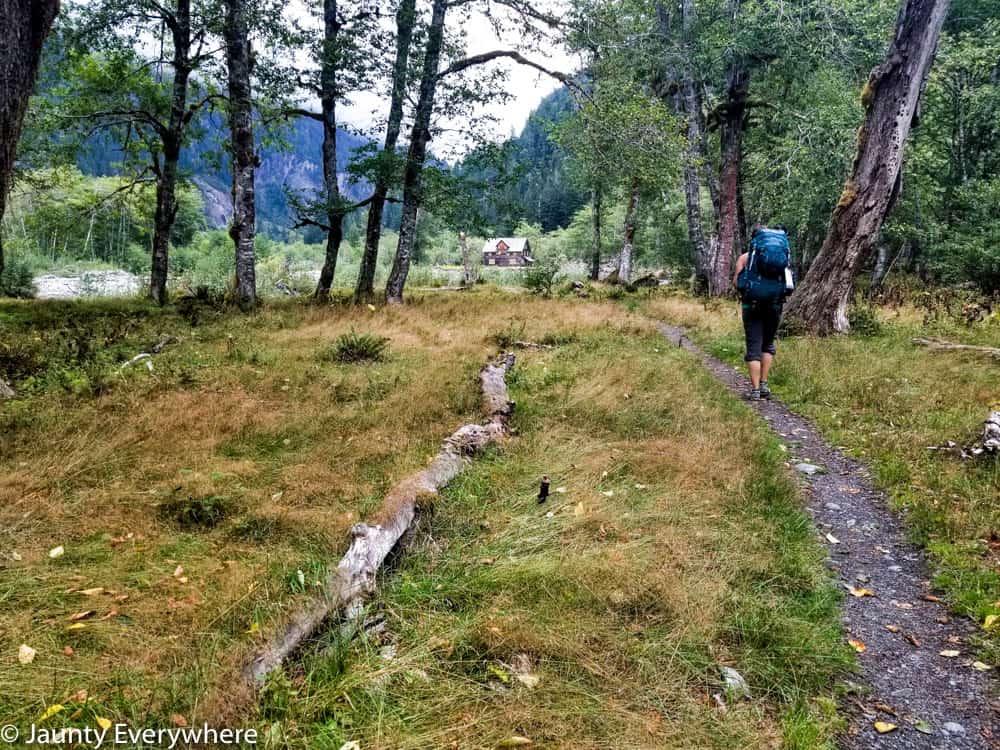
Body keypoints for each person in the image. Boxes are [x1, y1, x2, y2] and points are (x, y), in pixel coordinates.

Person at [733, 224, 791, 400]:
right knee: (768, 344)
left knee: (753, 346)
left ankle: (756, 390)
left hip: (751, 307)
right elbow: (788, 283)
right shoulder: (783, 257)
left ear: (754, 240)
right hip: (774, 306)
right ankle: (764, 385)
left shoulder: (744, 258)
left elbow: (737, 283)